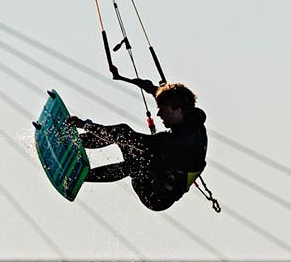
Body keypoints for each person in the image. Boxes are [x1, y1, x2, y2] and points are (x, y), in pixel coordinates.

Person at [68, 80, 207, 211]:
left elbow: (130, 139)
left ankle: (79, 175)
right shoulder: (190, 117)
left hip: (157, 196)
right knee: (131, 144)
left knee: (134, 156)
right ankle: (71, 142)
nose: (158, 114)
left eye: (162, 109)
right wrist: (150, 88)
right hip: (160, 169)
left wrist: (86, 125)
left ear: (177, 109)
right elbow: (172, 98)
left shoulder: (180, 141)